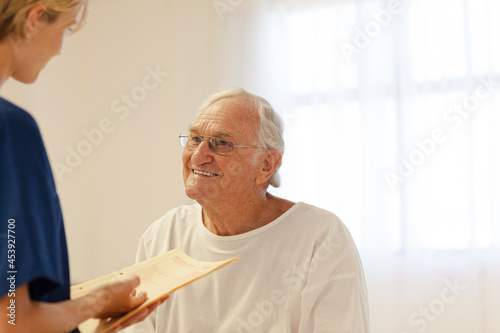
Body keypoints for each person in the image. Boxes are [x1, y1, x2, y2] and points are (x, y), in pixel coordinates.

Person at [126, 88, 370, 332]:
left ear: (266, 164)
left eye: (221, 143)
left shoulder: (322, 239)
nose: (198, 156)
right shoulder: (162, 235)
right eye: (195, 139)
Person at [0, 1, 163, 332]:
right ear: (33, 19)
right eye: (66, 29)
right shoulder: (11, 129)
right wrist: (100, 302)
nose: (60, 49)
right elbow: (14, 321)